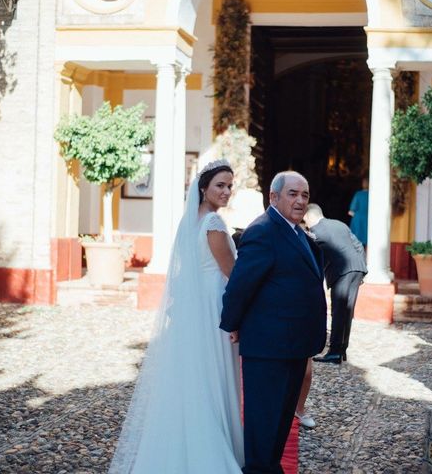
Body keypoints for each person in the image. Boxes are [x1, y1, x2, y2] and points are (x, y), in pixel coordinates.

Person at [110, 159, 244, 473]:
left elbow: (184, 272)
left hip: (194, 309)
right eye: (220, 186)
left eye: (229, 186)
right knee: (214, 377)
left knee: (196, 376)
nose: (226, 192)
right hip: (214, 307)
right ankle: (212, 450)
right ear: (203, 188)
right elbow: (232, 273)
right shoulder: (213, 223)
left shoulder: (190, 221)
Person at [220, 171, 327, 474]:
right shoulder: (263, 231)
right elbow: (241, 285)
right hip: (268, 347)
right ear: (274, 197)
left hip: (293, 344)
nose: (300, 200)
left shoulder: (295, 231)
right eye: (293, 194)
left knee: (280, 420)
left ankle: (270, 467)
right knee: (263, 421)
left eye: (304, 195)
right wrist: (233, 323)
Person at [304, 203, 367, 365]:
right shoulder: (340, 224)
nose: (306, 224)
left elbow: (313, 258)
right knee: (347, 311)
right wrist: (362, 269)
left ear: (310, 216)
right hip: (357, 269)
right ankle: (341, 350)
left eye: (305, 220)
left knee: (339, 311)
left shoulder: (316, 232)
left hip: (342, 272)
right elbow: (359, 245)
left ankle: (333, 352)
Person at [348, 178, 369, 247]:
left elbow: (350, 212)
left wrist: (358, 215)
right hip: (369, 223)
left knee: (356, 245)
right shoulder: (373, 195)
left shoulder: (358, 194)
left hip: (358, 223)